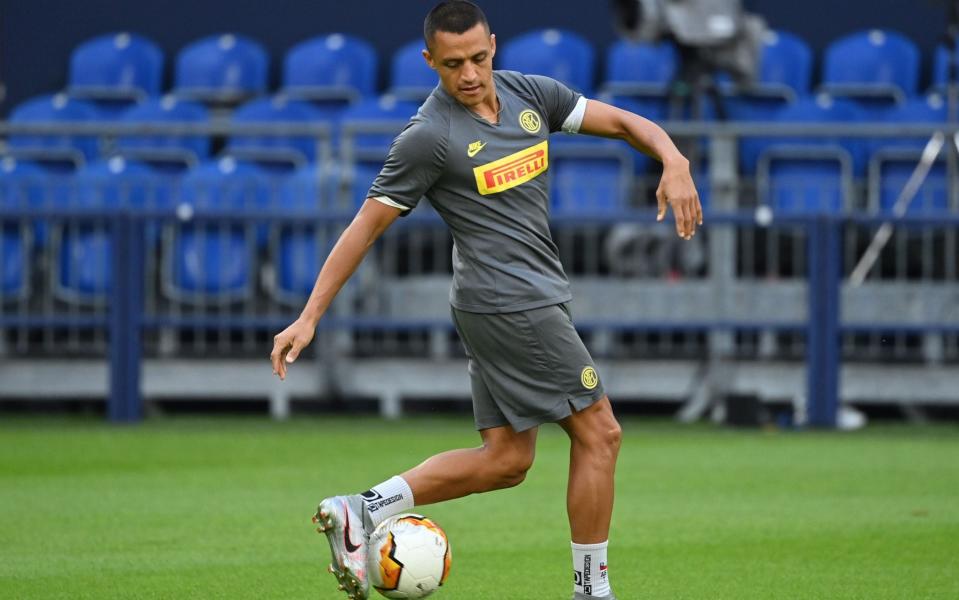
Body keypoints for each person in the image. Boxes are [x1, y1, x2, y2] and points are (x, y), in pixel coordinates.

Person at [270, 2, 701, 598]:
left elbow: (627, 124)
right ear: (429, 62)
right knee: (601, 434)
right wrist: (309, 315)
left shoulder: (531, 95)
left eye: (477, 58)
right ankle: (591, 591)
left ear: (493, 46)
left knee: (506, 460)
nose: (469, 74)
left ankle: (362, 510)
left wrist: (673, 159)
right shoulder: (430, 137)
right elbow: (364, 227)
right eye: (452, 65)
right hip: (511, 303)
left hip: (510, 302)